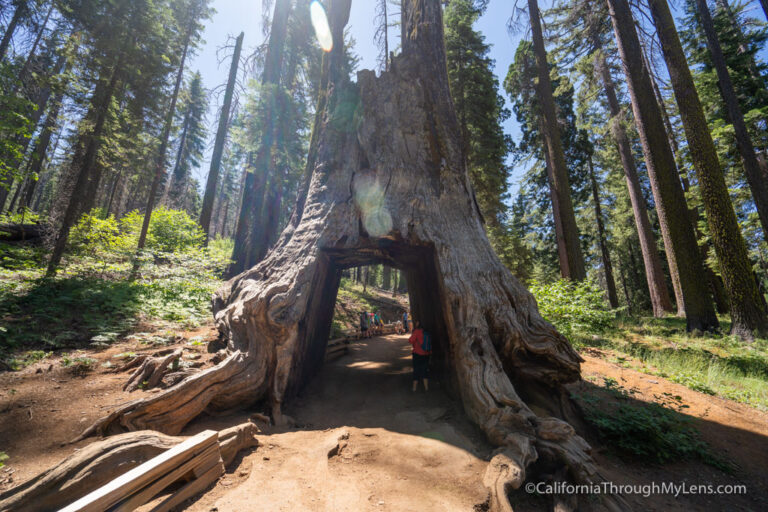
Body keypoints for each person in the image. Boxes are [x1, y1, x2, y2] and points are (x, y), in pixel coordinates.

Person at [408, 320, 431, 392]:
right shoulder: (427, 332)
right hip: (426, 354)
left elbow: (410, 340)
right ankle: (426, 388)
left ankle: (414, 388)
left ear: (418, 324)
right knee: (425, 370)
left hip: (417, 353)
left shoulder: (417, 331)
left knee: (416, 370)